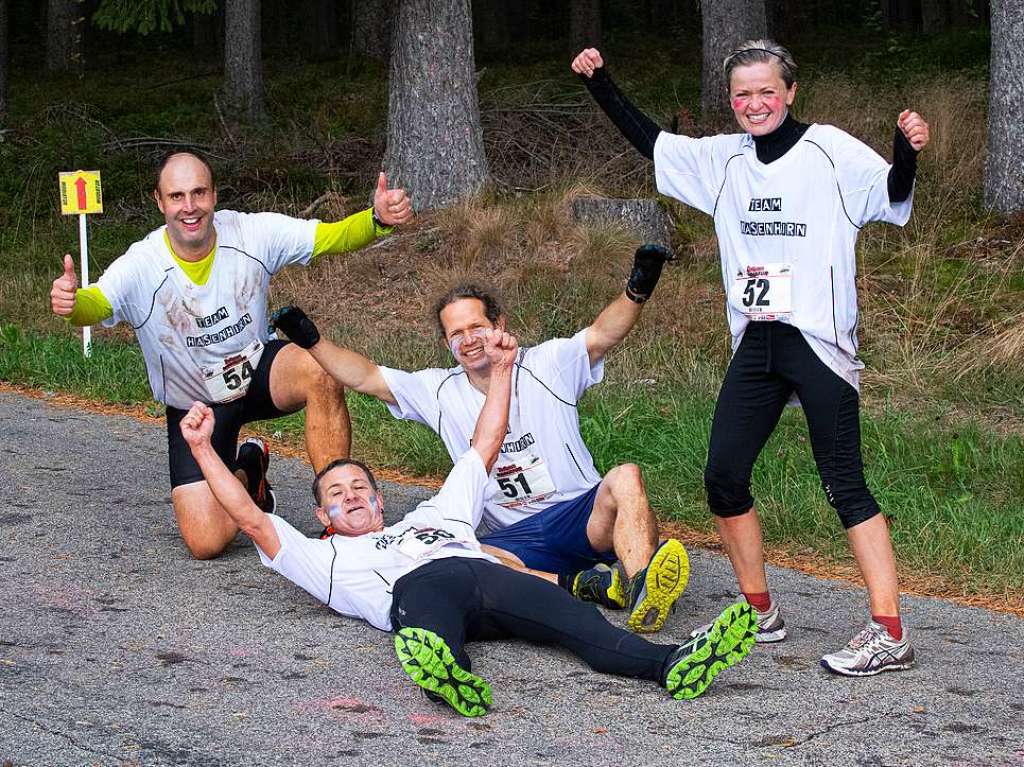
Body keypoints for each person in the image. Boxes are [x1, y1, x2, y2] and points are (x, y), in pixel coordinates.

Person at [572, 41, 930, 676]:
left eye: (767, 91)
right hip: (756, 342)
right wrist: (602, 85)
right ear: (730, 100)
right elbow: (652, 143)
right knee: (723, 475)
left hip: (818, 342)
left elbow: (891, 191)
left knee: (844, 483)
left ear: (790, 92)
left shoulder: (830, 149)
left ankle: (889, 632)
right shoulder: (723, 159)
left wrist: (907, 152)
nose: (754, 104)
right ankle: (759, 610)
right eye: (742, 94)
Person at [178, 327, 758, 716]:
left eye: (360, 487)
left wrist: (503, 371)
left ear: (383, 503)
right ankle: (448, 673)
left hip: (484, 573)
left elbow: (485, 443)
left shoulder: (435, 513)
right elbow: (252, 519)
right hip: (415, 591)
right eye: (336, 493)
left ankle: (674, 664)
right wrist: (205, 450)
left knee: (582, 626)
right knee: (426, 606)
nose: (351, 495)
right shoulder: (324, 558)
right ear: (322, 518)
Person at [268, 246, 689, 634]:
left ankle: (641, 591)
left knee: (627, 477)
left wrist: (638, 287)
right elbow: (365, 376)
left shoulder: (548, 362)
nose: (468, 340)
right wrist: (309, 338)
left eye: (476, 327)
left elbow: (603, 334)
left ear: (499, 325)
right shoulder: (437, 389)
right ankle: (591, 584)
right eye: (456, 334)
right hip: (511, 543)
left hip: (581, 520)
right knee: (459, 556)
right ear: (447, 343)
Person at [49, 150, 413, 560]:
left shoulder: (250, 233)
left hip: (258, 374)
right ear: (159, 201)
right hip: (197, 409)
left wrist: (376, 219)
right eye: (177, 196)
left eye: (199, 193)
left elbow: (328, 237)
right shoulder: (142, 265)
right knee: (206, 543)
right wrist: (72, 304)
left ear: (214, 195)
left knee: (320, 368)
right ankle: (248, 472)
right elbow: (97, 302)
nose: (190, 207)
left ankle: (340, 519)